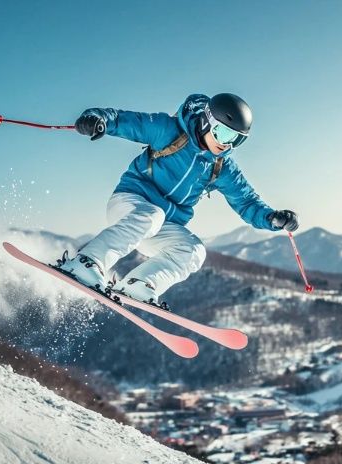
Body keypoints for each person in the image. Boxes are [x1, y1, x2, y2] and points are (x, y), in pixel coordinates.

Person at [59, 93, 299, 306]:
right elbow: (125, 121)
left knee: (194, 250)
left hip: (162, 226)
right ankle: (86, 261)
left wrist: (272, 218)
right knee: (152, 215)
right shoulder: (169, 131)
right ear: (207, 121)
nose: (226, 143)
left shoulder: (221, 166)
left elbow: (246, 202)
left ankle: (139, 284)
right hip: (130, 204)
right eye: (223, 133)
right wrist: (97, 119)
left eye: (237, 139)